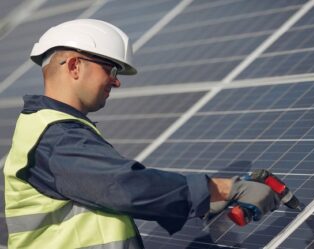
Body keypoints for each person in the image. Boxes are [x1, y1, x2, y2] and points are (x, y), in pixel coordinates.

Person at [3, 19, 280, 249]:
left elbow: (105, 199)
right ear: (75, 66)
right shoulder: (57, 137)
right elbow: (124, 187)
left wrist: (205, 201)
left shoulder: (51, 127)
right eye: (110, 69)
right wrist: (224, 189)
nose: (117, 80)